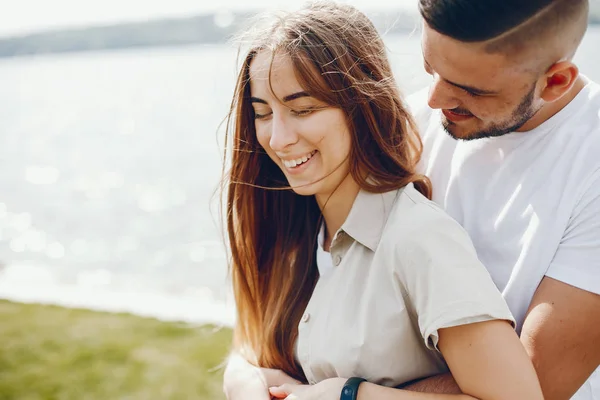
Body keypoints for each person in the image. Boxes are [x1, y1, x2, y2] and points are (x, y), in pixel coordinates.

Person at [221, 1, 544, 399]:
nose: (278, 138)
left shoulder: (418, 239)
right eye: (262, 113)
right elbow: (249, 345)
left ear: (361, 107)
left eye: (302, 109)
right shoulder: (286, 228)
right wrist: (242, 381)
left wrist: (349, 395)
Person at [404, 1, 600, 399]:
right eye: (431, 68)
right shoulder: (410, 123)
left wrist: (349, 392)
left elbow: (533, 386)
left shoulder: (590, 162)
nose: (433, 100)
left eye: (471, 90)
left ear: (556, 81)